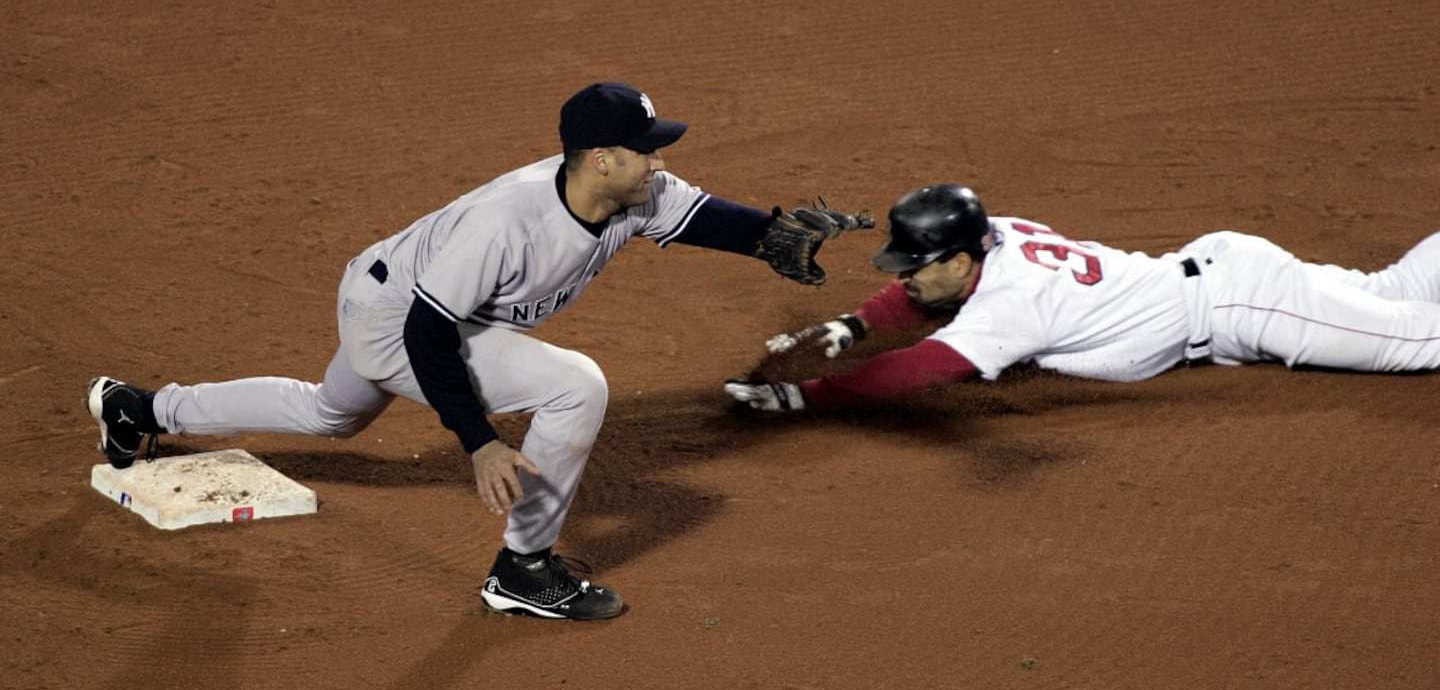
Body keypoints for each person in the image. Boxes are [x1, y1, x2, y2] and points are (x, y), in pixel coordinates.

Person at [86, 81, 871, 621]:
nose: (659, 160)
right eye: (645, 149)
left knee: (331, 415)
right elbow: (429, 334)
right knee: (576, 387)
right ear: (601, 158)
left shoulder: (633, 193)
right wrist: (480, 441)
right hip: (397, 317)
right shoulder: (508, 222)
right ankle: (524, 571)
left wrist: (768, 235)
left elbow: (703, 218)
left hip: (410, 299)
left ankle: (140, 407)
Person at [725, 183, 1440, 413]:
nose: (905, 276)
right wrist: (855, 322)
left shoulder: (1014, 306)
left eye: (918, 263)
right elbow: (923, 295)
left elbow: (922, 368)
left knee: (1420, 342)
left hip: (1247, 305)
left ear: (964, 255)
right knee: (1395, 293)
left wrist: (809, 395)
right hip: (1226, 274)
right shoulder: (996, 235)